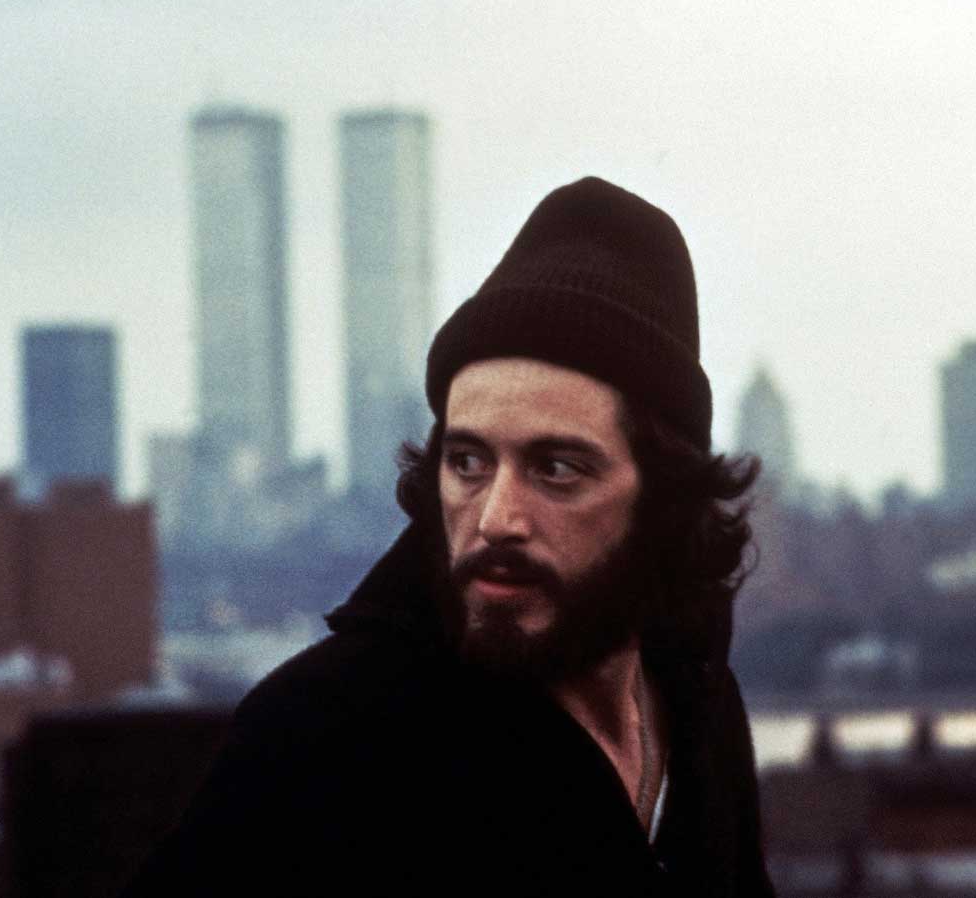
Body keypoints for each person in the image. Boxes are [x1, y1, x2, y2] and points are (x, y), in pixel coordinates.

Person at [124, 177, 775, 897]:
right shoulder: (327, 734)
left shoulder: (697, 704)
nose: (495, 518)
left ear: (663, 497)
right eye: (468, 462)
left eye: (556, 468)